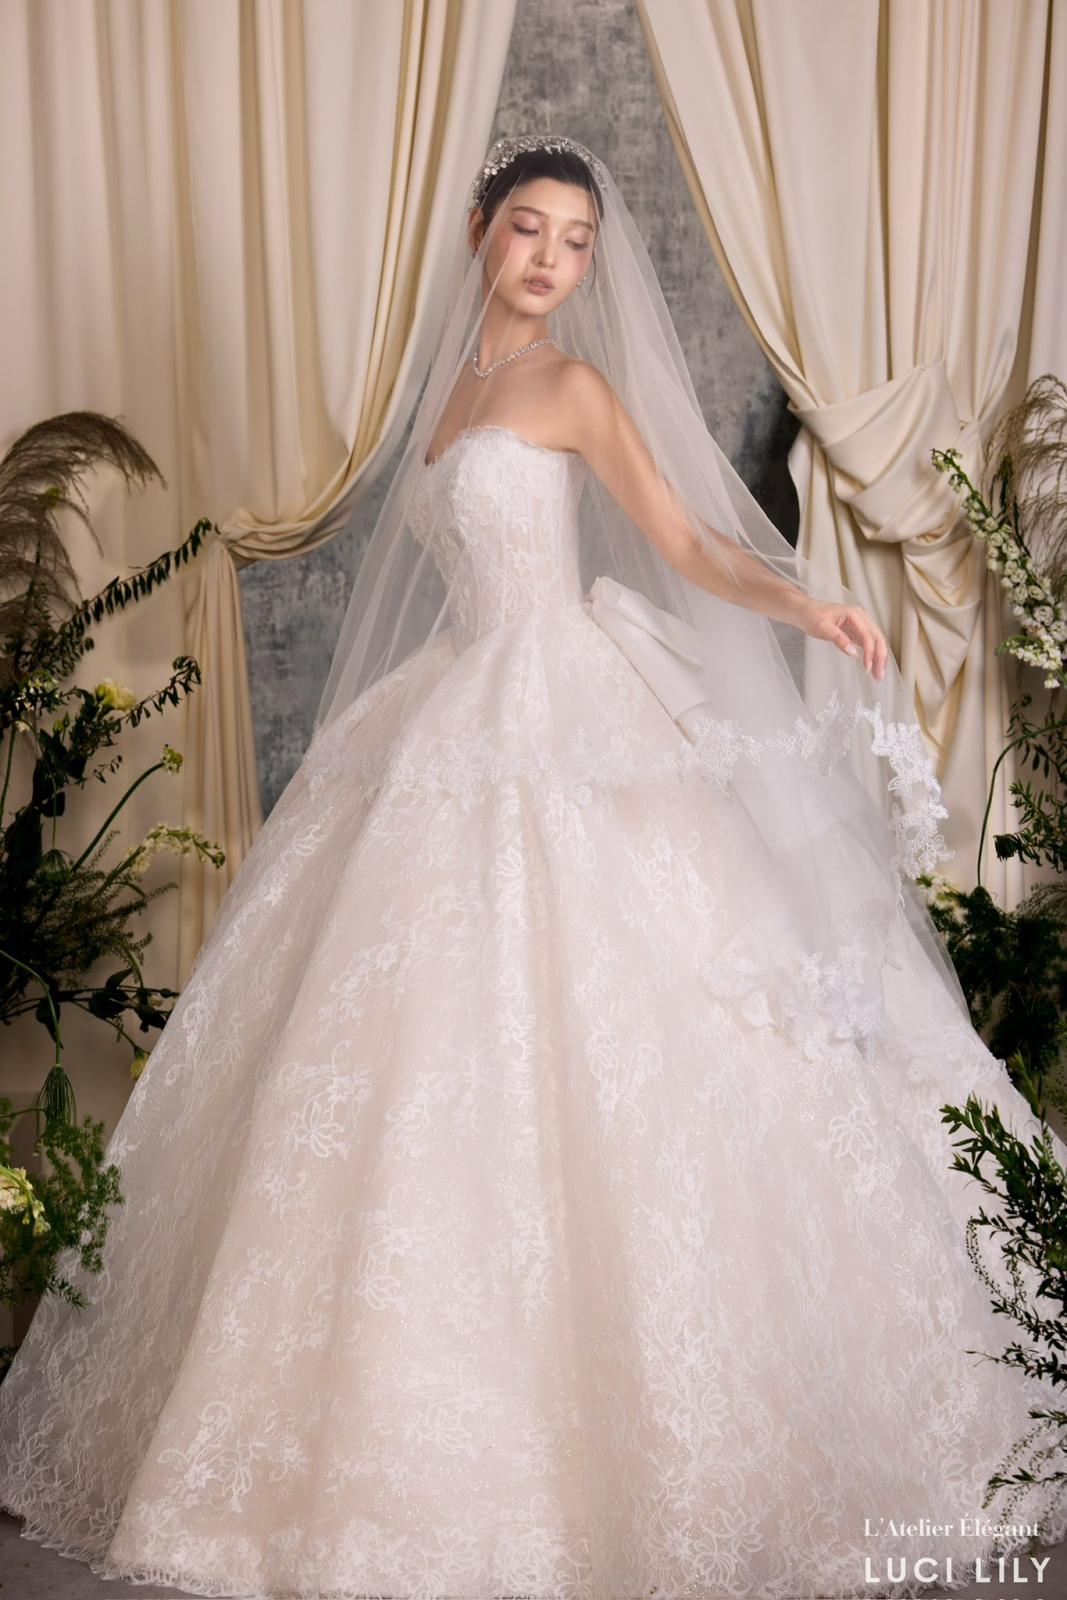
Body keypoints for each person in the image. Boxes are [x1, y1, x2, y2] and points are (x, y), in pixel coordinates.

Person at [0, 131, 1064, 1600]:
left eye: (576, 239)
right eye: (529, 230)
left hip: (560, 708)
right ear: (479, 234)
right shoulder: (448, 396)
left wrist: (807, 604)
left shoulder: (573, 388)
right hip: (452, 707)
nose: (553, 258)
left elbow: (685, 537)